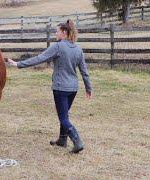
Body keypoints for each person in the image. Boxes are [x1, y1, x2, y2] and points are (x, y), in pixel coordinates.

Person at [7, 19, 92, 153]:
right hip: (73, 88)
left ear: (64, 32)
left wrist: (18, 64)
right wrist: (88, 88)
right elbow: (84, 72)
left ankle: (77, 141)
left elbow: (39, 58)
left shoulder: (58, 46)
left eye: (57, 31)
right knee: (65, 115)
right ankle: (62, 140)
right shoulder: (78, 49)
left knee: (63, 118)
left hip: (60, 88)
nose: (55, 33)